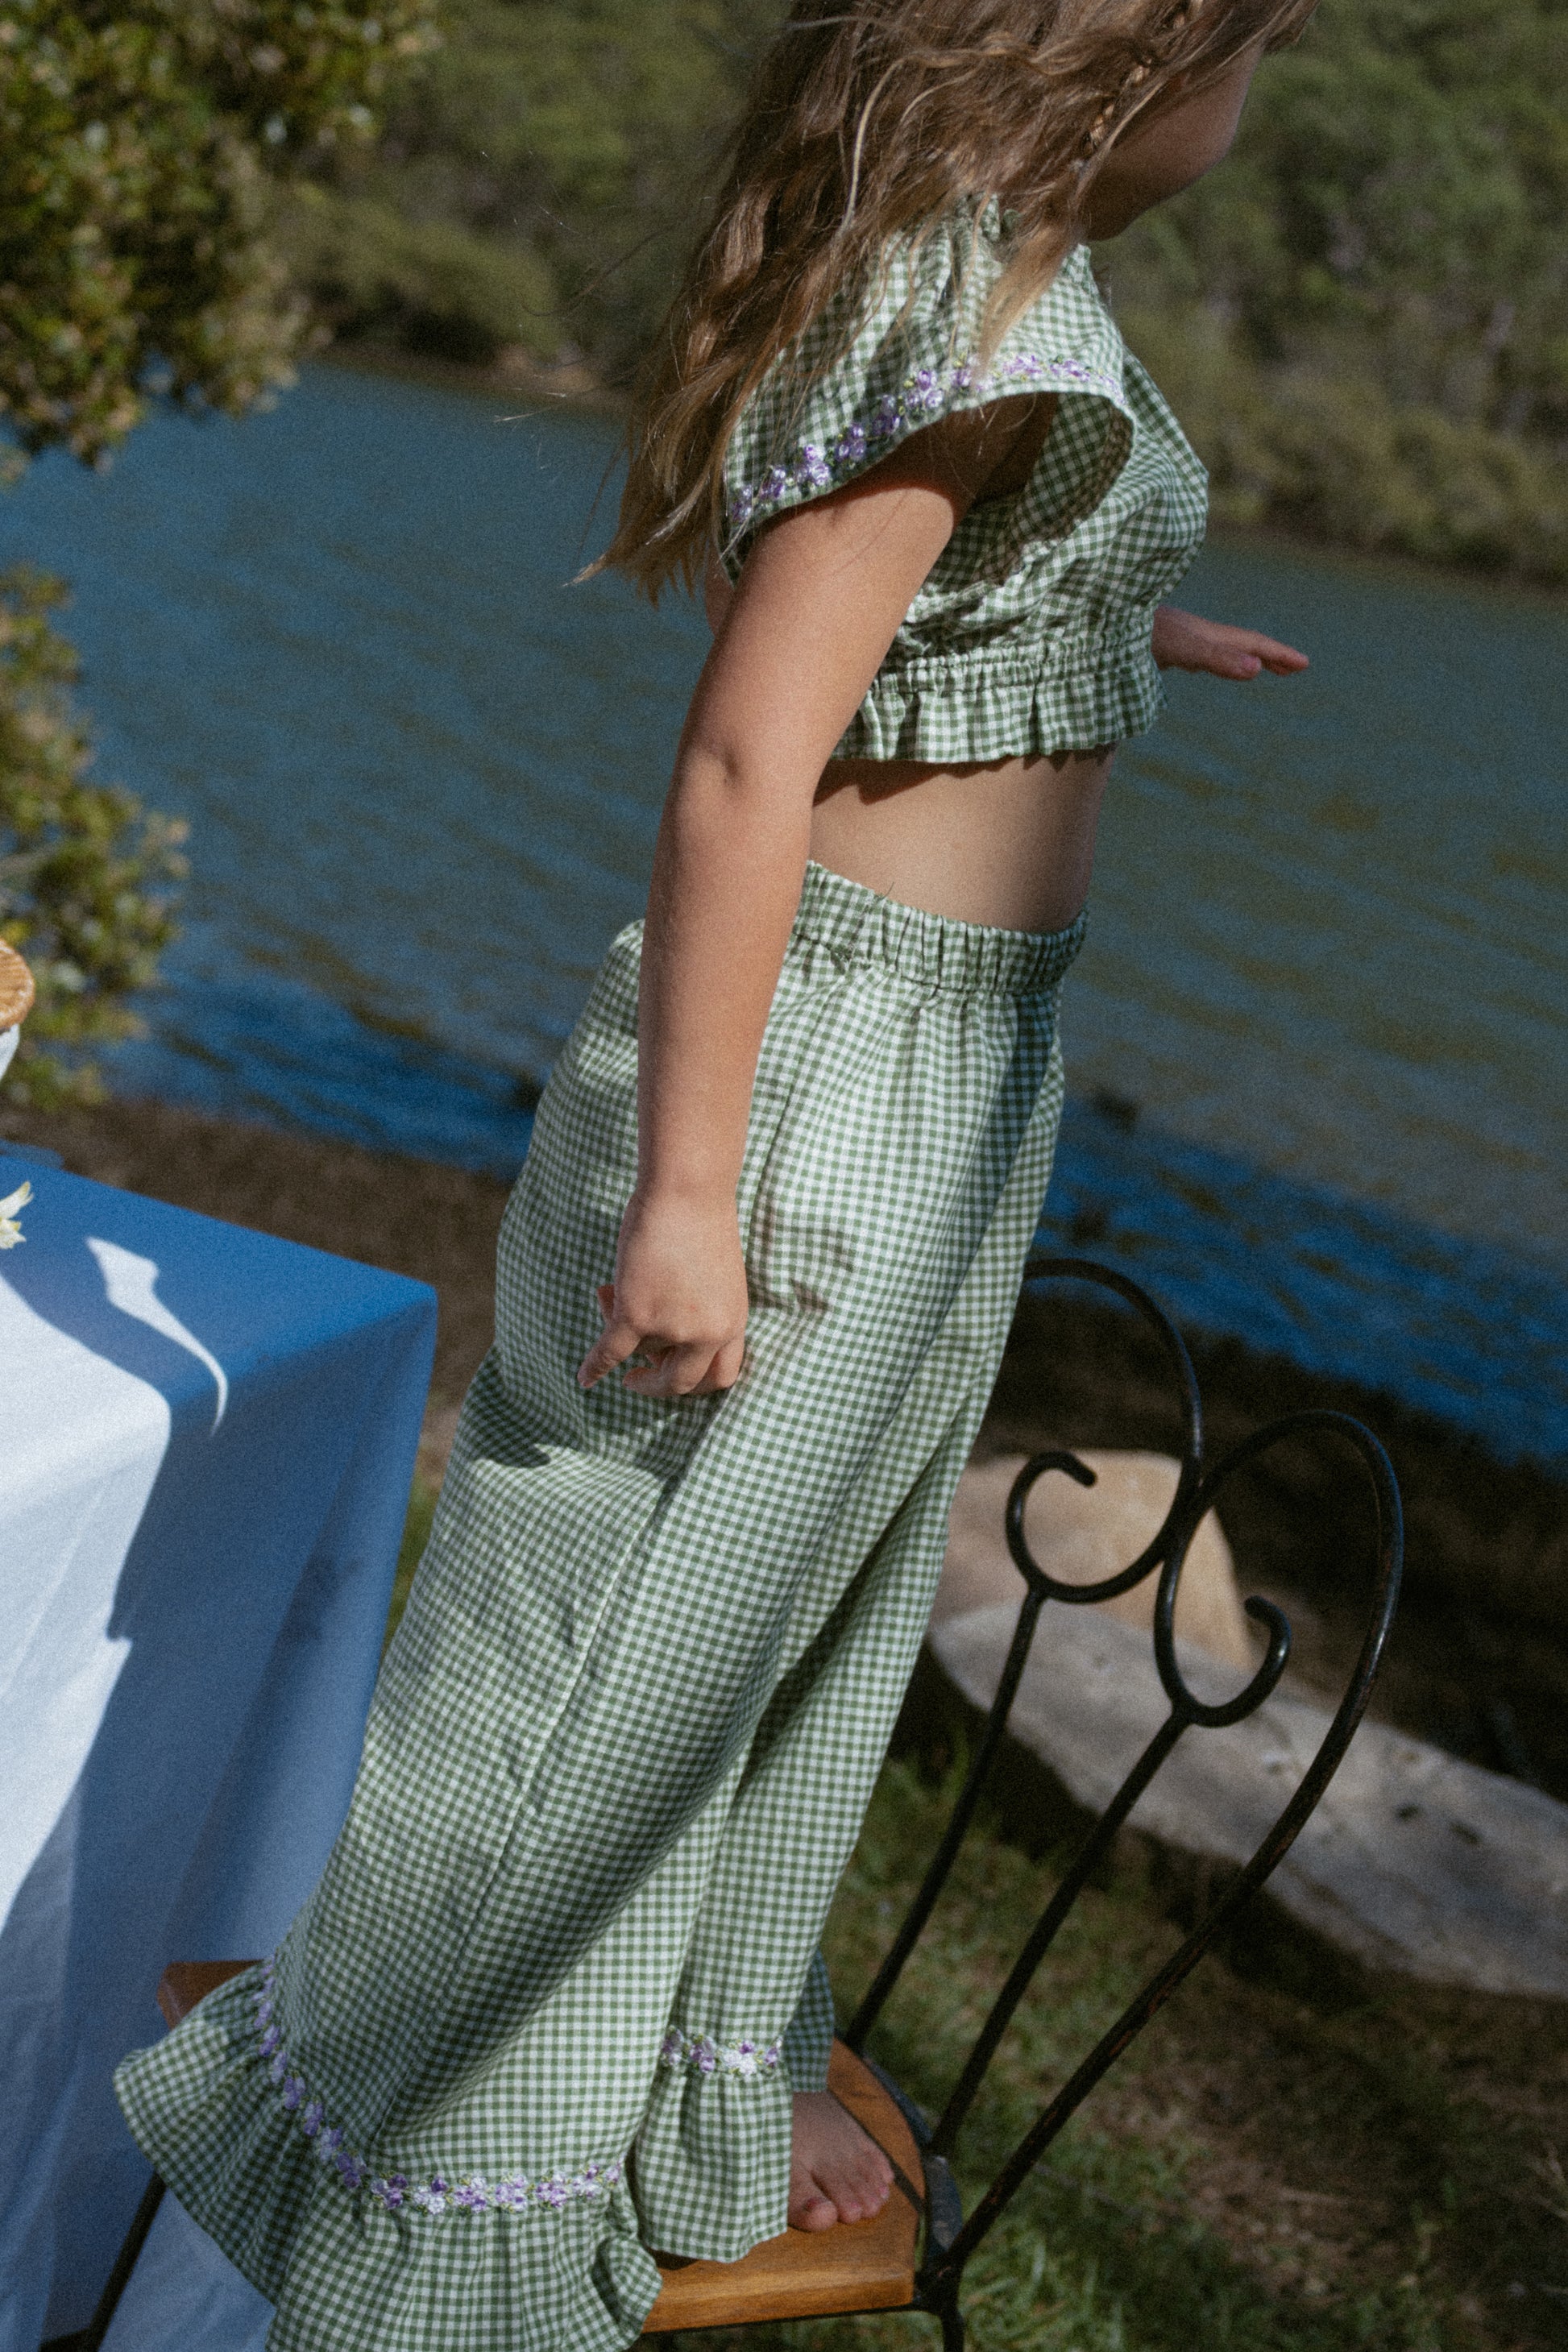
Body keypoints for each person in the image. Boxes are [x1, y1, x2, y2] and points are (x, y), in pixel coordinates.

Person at [116, 2, 1312, 2345]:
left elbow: (919, 592)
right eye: (1249, 49)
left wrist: (1112, 610)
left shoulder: (1001, 282)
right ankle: (423, 2191)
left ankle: (691, 2080)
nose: (1253, 101)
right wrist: (687, 1189)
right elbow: (753, 758)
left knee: (807, 1618)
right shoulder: (962, 316)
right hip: (819, 1074)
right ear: (1134, 55)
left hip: (964, 1053)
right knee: (609, 1654)